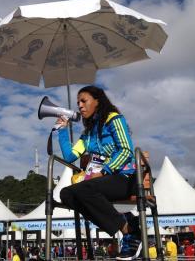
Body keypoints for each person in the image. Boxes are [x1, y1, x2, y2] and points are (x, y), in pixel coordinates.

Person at [57, 85, 140, 260]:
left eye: (83, 101)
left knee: (84, 189)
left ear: (97, 101)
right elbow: (70, 156)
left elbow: (126, 150)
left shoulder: (114, 119)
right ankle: (126, 225)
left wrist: (104, 171)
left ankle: (130, 233)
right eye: (78, 102)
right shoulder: (87, 134)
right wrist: (63, 131)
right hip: (102, 182)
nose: (79, 105)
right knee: (66, 194)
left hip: (124, 178)